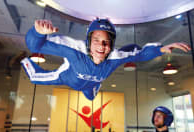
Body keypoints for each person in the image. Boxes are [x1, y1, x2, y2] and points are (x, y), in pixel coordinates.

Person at [21, 18, 191, 100]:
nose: (102, 46)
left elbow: (140, 54)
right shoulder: (75, 49)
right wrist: (37, 33)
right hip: (66, 78)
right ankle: (23, 60)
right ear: (88, 41)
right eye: (96, 41)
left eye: (106, 42)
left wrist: (160, 50)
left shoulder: (115, 56)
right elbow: (36, 46)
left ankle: (95, 86)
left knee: (91, 97)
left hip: (92, 84)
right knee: (35, 78)